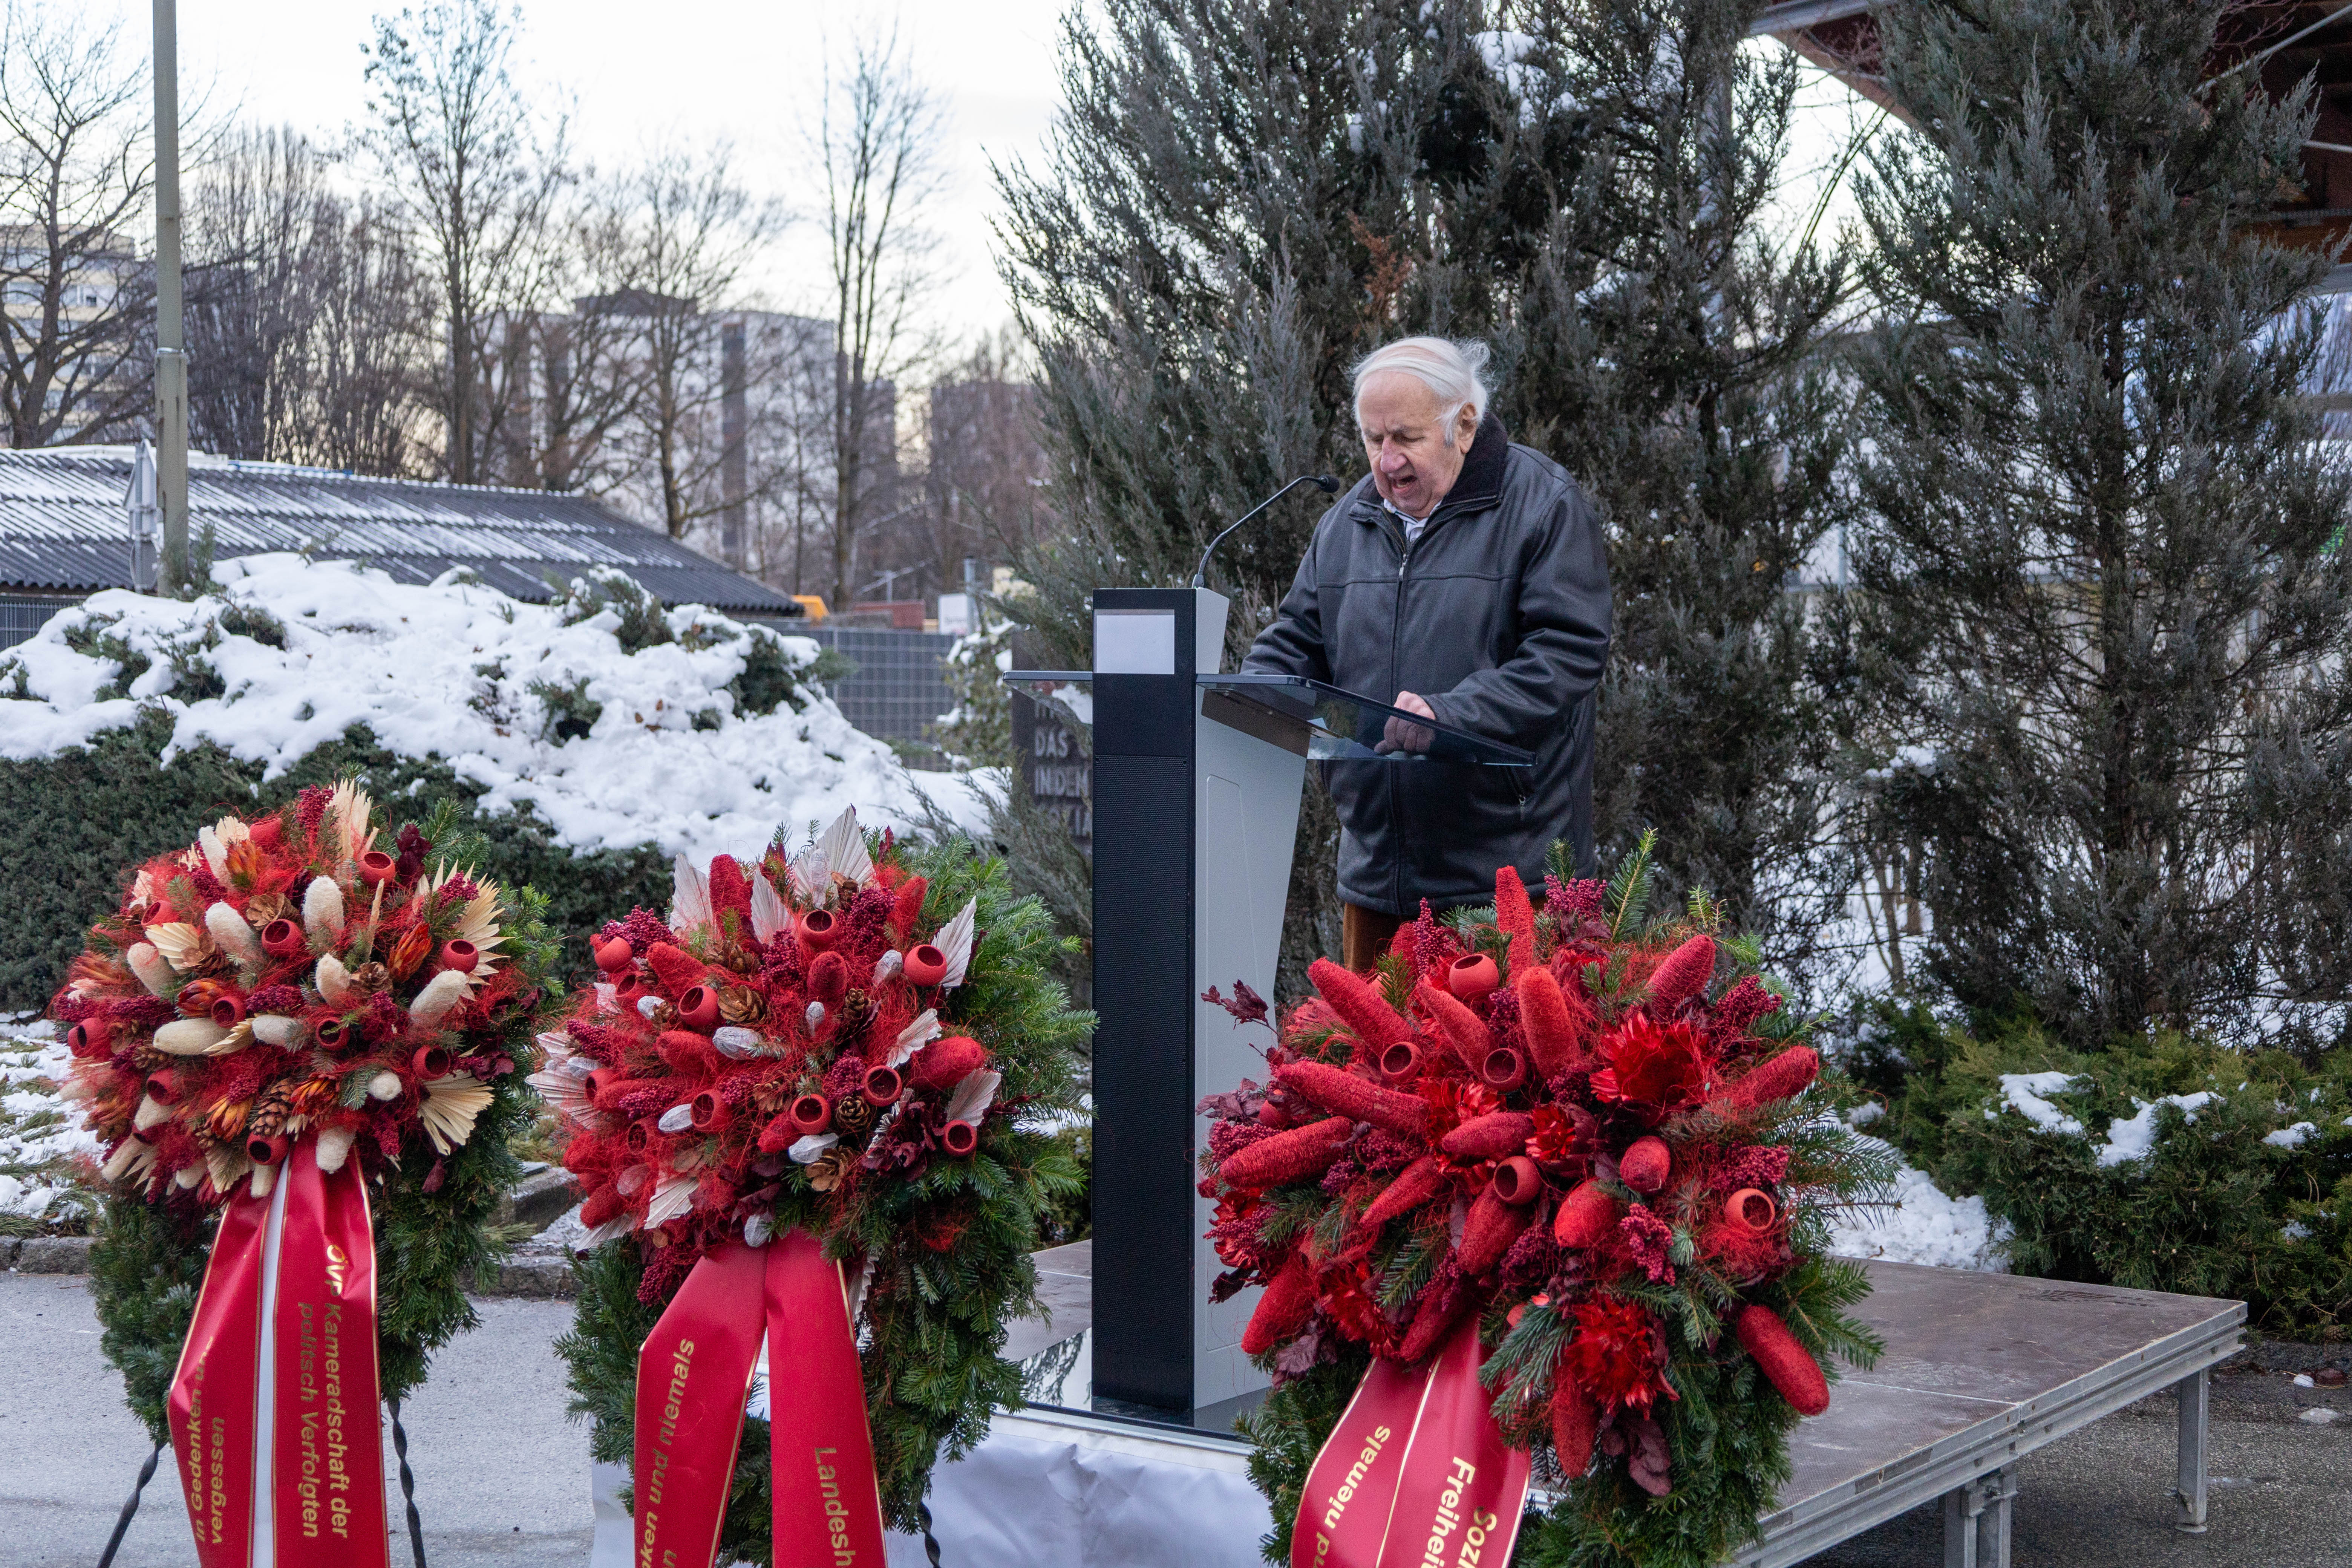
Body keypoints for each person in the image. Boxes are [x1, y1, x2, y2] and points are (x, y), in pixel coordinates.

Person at [1242, 336, 1611, 971]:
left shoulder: (1543, 505)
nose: (1385, 462)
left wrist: (1450, 717)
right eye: (1371, 439)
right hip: (1379, 881)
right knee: (1368, 1070)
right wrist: (1252, 693)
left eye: (1404, 438)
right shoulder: (1347, 523)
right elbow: (1297, 639)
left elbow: (1568, 652)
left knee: (1503, 1071)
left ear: (1463, 425)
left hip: (1510, 888)